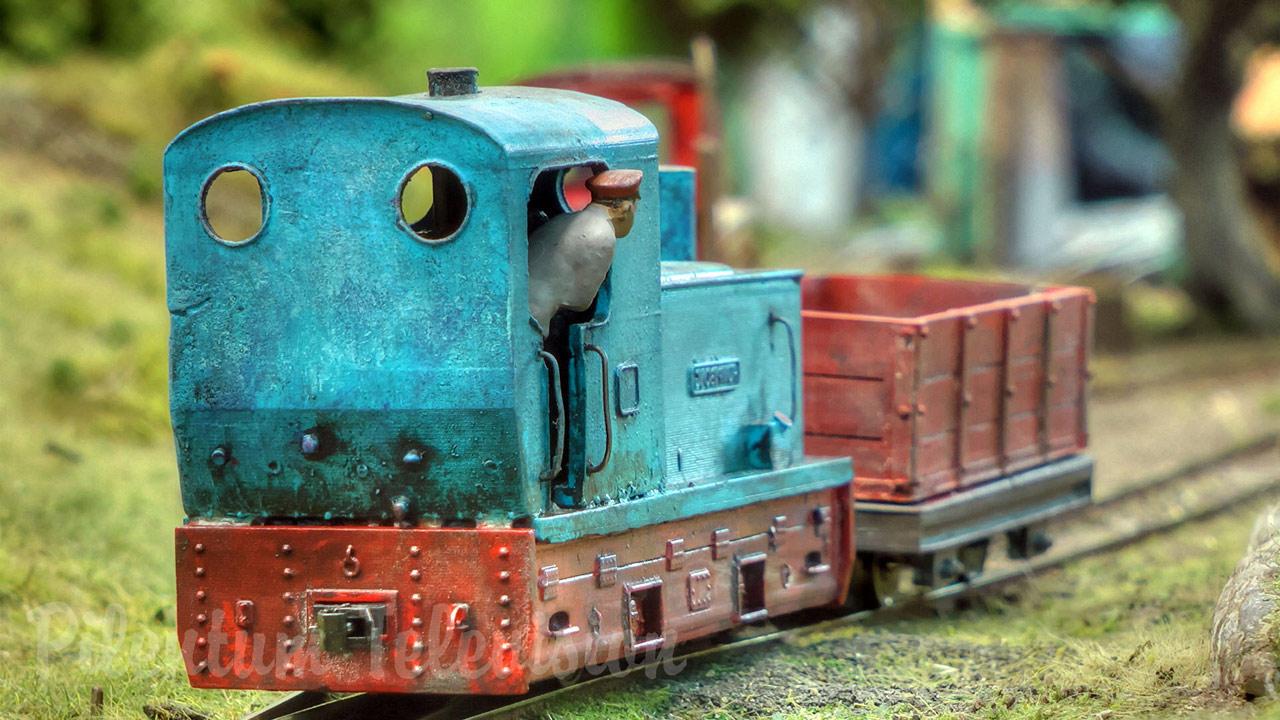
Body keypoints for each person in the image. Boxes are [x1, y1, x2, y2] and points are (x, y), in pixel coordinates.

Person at [527, 169, 643, 335]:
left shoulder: (565, 219)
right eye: (635, 207)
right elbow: (581, 301)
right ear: (625, 208)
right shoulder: (602, 234)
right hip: (536, 320)